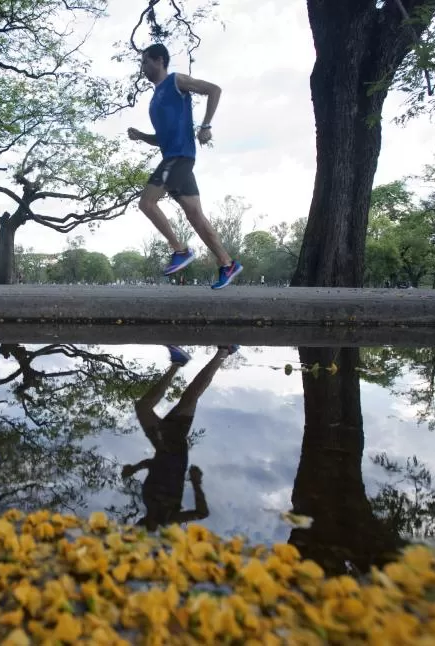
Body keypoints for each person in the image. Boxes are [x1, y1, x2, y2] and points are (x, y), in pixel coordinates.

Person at [128, 43, 243, 290]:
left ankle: (179, 250)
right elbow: (162, 137)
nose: (143, 67)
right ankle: (227, 263)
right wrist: (141, 136)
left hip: (179, 158)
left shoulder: (176, 82)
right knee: (195, 215)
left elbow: (214, 89)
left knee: (146, 203)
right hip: (174, 157)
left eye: (145, 62)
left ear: (159, 60)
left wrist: (206, 126)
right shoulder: (154, 100)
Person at [121, 344, 239, 530]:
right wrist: (196, 482)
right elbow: (201, 513)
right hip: (174, 448)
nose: (137, 523)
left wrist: (135, 468)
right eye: (139, 526)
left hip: (162, 446)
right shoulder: (169, 518)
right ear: (149, 529)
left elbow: (154, 466)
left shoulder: (149, 503)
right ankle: (221, 352)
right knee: (189, 397)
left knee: (153, 405)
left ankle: (181, 361)